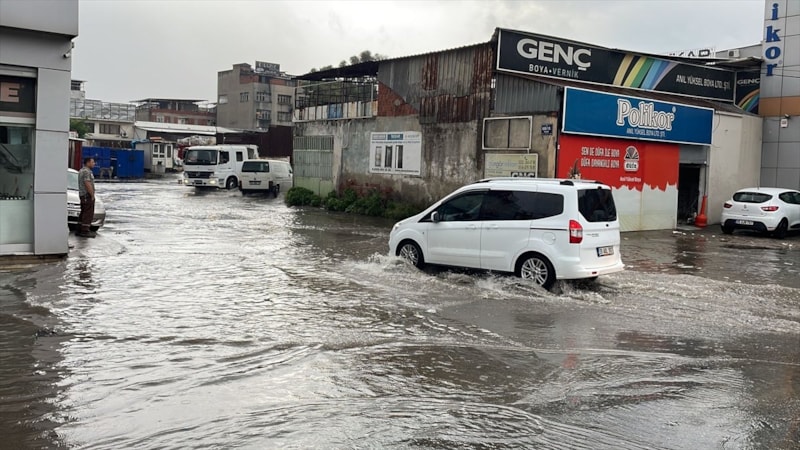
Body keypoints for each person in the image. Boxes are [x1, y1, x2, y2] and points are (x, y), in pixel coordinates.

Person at [77, 157, 97, 238]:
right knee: (88, 213)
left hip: (83, 195)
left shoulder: (82, 170)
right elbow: (87, 183)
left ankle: (79, 229)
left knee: (83, 212)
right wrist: (92, 195)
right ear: (88, 163)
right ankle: (85, 230)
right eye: (92, 162)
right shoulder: (86, 172)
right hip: (86, 195)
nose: (94, 164)